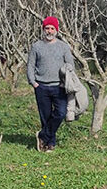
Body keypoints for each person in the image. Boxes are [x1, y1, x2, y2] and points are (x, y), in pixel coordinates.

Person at [27, 16, 74, 152]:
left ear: (56, 30)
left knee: (60, 113)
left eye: (52, 28)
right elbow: (30, 65)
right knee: (45, 116)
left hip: (59, 86)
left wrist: (67, 77)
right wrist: (33, 82)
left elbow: (70, 64)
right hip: (41, 86)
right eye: (47, 28)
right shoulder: (36, 46)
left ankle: (43, 135)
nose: (49, 31)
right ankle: (49, 144)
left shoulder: (63, 47)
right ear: (43, 29)